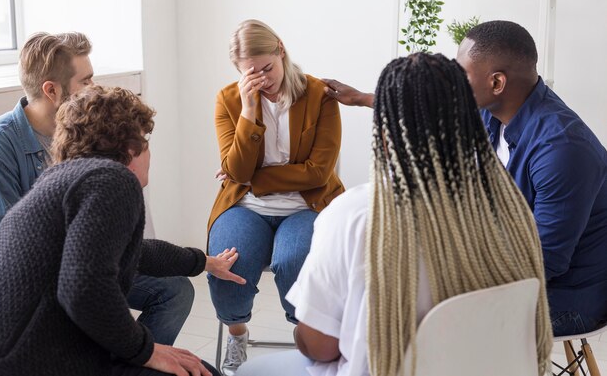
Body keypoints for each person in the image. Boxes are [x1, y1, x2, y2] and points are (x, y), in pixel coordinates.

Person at [236, 53, 553, 376]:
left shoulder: (355, 215)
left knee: (251, 372)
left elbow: (320, 346)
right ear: (468, 122)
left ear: (385, 136)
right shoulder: (511, 207)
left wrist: (304, 329)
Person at [324, 21, 607, 337]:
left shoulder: (562, 149)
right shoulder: (495, 109)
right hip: (516, 270)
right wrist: (363, 98)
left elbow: (544, 261)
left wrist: (450, 273)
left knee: (412, 314)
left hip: (564, 298)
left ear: (496, 82)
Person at [0, 85, 246, 376]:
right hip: (36, 360)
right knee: (200, 371)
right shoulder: (112, 179)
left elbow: (138, 252)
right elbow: (82, 289)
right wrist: (144, 350)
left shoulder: (60, 182)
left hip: (11, 357)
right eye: (145, 139)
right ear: (131, 146)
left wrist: (203, 262)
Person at [0, 32, 195, 345]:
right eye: (86, 80)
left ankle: (133, 362)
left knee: (174, 290)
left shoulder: (85, 131)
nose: (94, 89)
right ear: (51, 90)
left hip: (82, 260)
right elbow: (3, 246)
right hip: (34, 281)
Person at [208, 19, 344, 375]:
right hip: (244, 206)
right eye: (251, 74)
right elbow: (237, 173)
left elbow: (318, 172)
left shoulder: (319, 96)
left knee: (295, 261)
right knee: (227, 267)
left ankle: (309, 340)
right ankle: (237, 334)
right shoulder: (229, 99)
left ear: (280, 49)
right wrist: (249, 111)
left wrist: (256, 178)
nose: (263, 79)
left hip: (307, 206)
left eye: (267, 68)